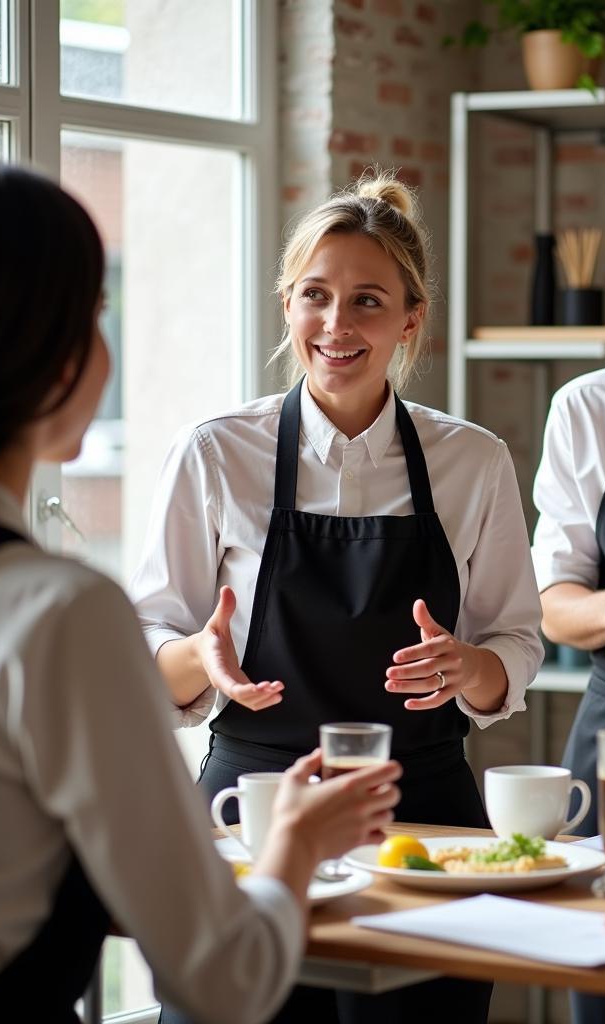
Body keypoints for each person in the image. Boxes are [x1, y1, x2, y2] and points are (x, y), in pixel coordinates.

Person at [0, 156, 402, 1023]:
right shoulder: (53, 613)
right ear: (55, 359)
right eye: (95, 314)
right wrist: (295, 844)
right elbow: (223, 978)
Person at [130, 171, 543, 1023]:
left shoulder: (472, 460)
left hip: (422, 822)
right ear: (287, 304)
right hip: (256, 808)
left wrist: (472, 666)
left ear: (410, 319)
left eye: (367, 300)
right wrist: (197, 659)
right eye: (315, 296)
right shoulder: (214, 453)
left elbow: (519, 643)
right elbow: (153, 646)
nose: (337, 324)